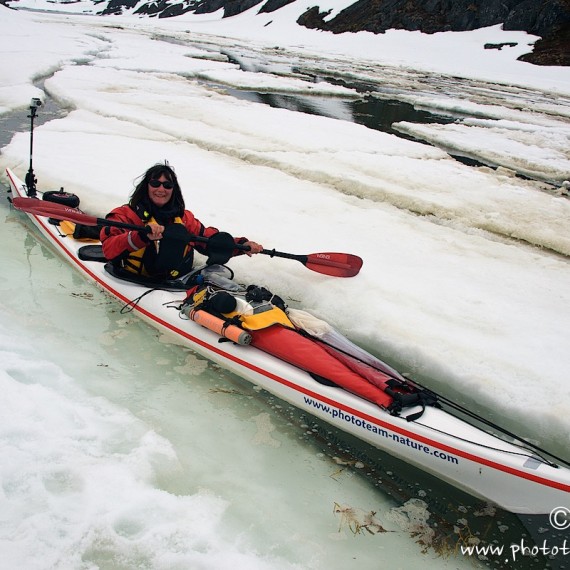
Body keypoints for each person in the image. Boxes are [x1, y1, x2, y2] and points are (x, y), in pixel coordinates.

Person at [100, 163, 263, 280]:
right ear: (146, 186)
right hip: (131, 279)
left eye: (167, 185)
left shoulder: (183, 218)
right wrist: (141, 236)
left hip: (174, 282)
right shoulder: (124, 214)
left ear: (173, 189)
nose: (161, 189)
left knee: (179, 232)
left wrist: (242, 245)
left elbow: (208, 240)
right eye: (155, 183)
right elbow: (108, 249)